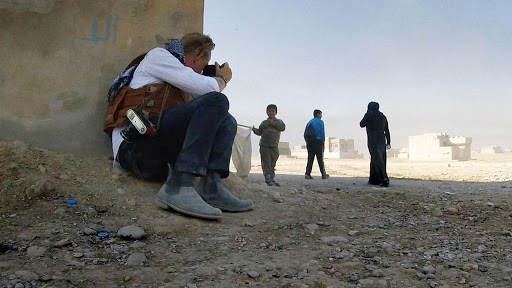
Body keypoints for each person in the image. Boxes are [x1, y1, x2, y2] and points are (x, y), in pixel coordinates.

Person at [103, 32, 253, 220]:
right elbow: (209, 90)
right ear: (198, 58)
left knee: (226, 120)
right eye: (201, 67)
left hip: (160, 159)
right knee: (217, 100)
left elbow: (204, 103)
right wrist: (222, 79)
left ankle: (211, 187)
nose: (199, 72)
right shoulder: (158, 56)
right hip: (134, 150)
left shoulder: (177, 81)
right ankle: (179, 186)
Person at [252, 104, 286, 186]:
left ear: (276, 112)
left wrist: (273, 123)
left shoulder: (279, 122)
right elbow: (260, 132)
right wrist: (254, 130)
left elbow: (282, 128)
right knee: (266, 163)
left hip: (274, 147)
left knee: (273, 163)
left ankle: (272, 178)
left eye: (272, 111)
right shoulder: (264, 123)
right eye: (269, 111)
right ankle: (268, 179)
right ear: (267, 112)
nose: (271, 113)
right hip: (264, 146)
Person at [359, 101, 391, 187]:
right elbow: (387, 130)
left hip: (373, 139)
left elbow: (361, 124)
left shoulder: (369, 115)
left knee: (376, 159)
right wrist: (388, 142)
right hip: (382, 139)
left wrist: (367, 114)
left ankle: (384, 179)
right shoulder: (383, 116)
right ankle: (373, 179)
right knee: (379, 158)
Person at [303, 109, 329, 179]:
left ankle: (307, 174)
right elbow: (322, 133)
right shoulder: (320, 122)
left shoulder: (309, 122)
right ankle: (323, 174)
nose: (321, 116)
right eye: (321, 114)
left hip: (309, 142)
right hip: (318, 142)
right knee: (320, 159)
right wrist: (323, 143)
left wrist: (307, 141)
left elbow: (305, 133)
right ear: (318, 114)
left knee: (310, 158)